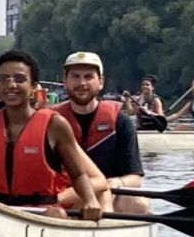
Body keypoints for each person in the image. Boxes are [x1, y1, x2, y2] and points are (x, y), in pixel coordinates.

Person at [0, 49, 105, 221]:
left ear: (33, 86)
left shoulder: (55, 125)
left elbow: (78, 174)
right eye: (4, 79)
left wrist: (90, 200)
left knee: (57, 214)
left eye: (19, 79)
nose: (11, 85)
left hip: (42, 213)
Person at [53, 51, 148, 214]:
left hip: (108, 194)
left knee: (138, 203)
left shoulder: (121, 121)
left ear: (100, 82)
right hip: (67, 196)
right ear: (65, 81)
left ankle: (108, 223)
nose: (82, 83)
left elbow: (135, 178)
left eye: (88, 77)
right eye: (75, 76)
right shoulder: (51, 121)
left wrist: (117, 182)